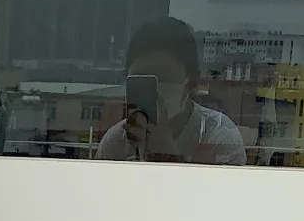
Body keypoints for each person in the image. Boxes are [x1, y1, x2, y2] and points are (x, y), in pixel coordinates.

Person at [97, 16, 246, 166]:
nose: (154, 91)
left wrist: (164, 151)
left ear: (191, 82)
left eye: (163, 78)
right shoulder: (115, 142)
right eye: (141, 79)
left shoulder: (220, 137)